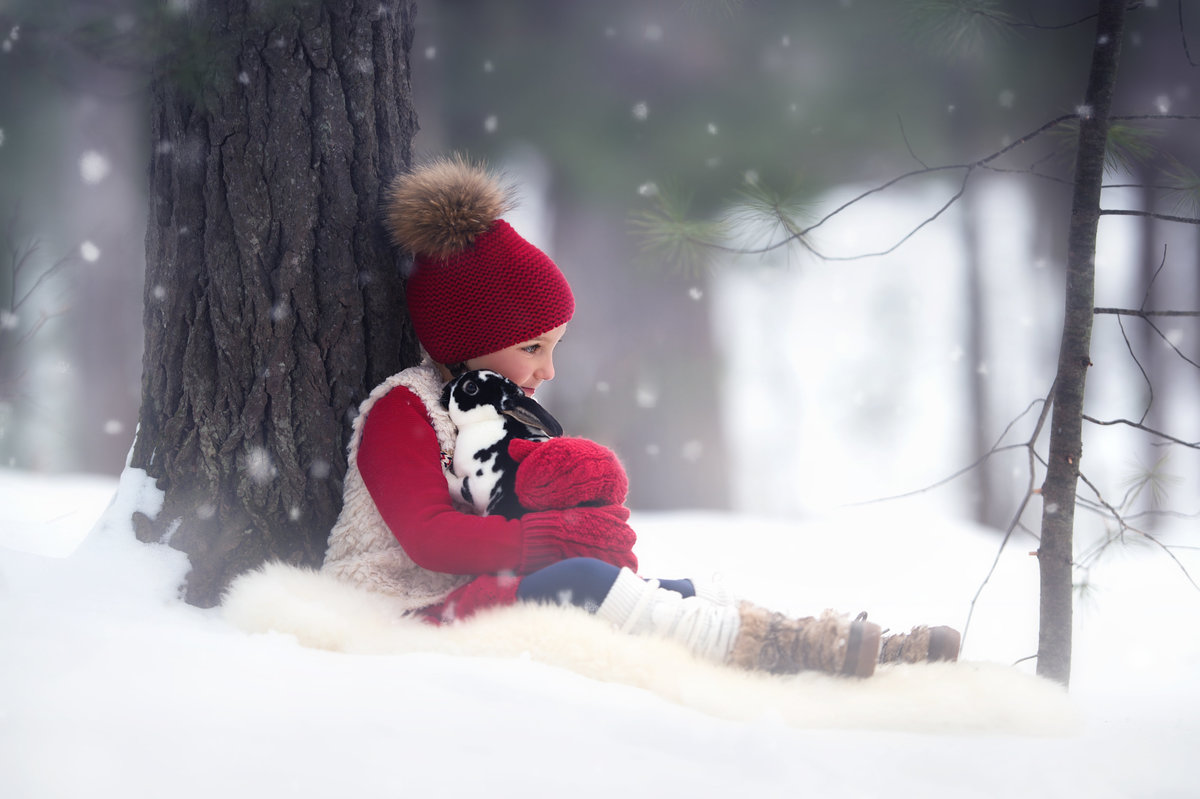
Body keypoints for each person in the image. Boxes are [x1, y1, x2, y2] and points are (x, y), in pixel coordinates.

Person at [322, 155, 959, 679]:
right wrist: (553, 541)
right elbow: (428, 538)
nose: (548, 370)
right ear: (471, 337)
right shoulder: (404, 409)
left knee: (668, 588)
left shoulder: (501, 410)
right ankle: (772, 652)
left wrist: (579, 521)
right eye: (532, 348)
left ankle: (822, 642)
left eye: (554, 347)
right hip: (404, 611)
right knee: (581, 578)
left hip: (477, 589)